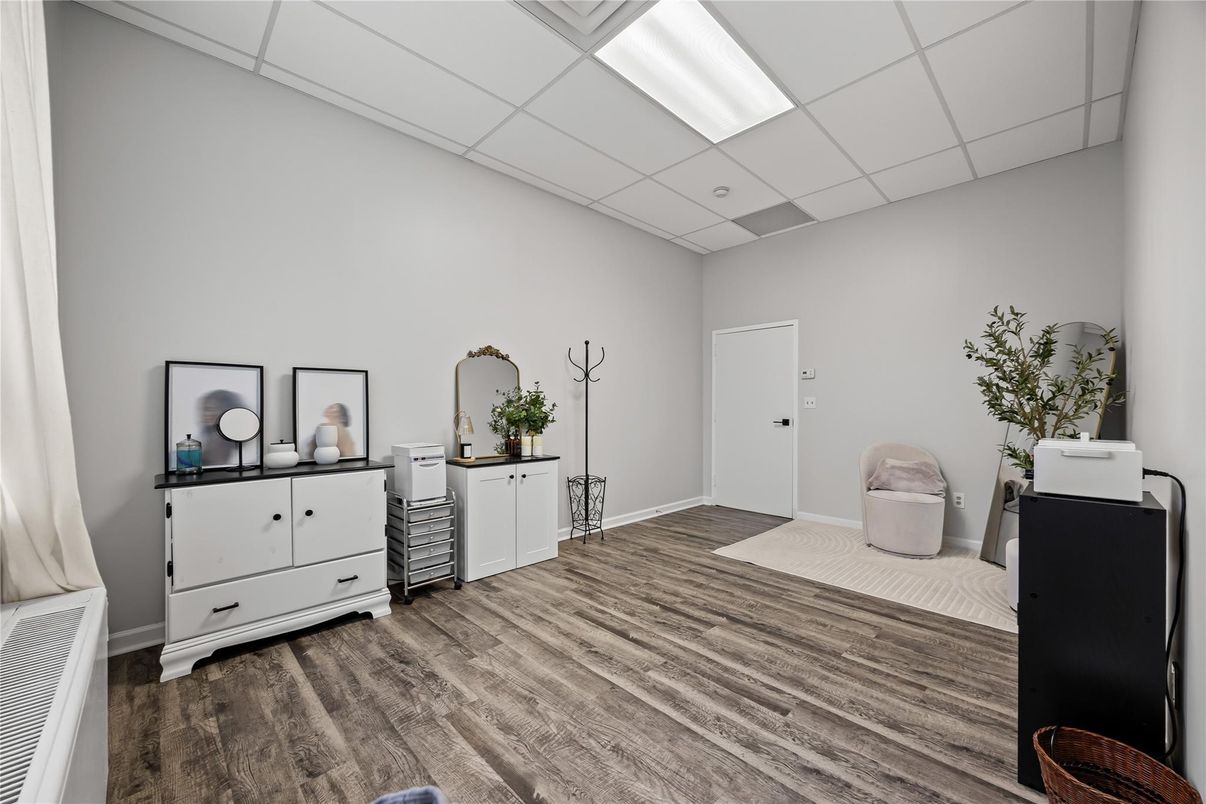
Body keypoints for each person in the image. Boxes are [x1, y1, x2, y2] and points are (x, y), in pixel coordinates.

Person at [196, 389, 242, 466]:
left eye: (210, 409)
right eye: (203, 410)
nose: (205, 415)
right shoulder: (202, 441)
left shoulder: (240, 444)